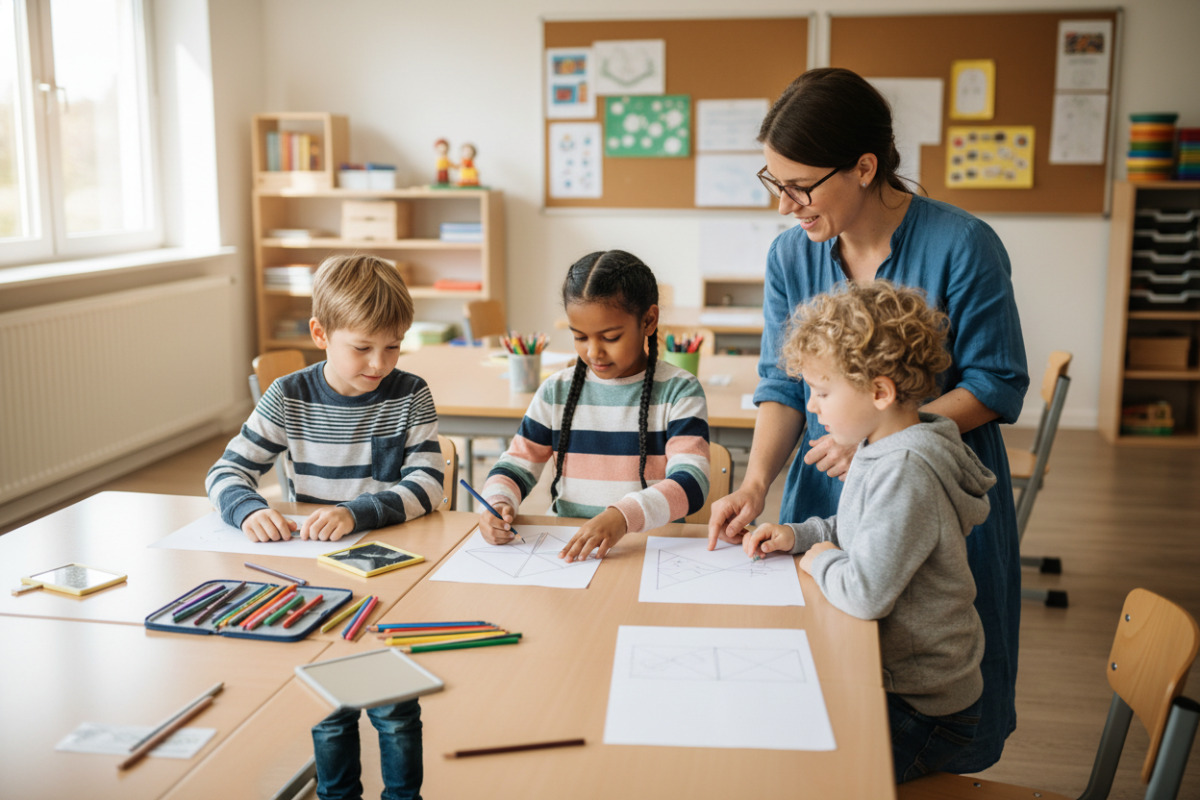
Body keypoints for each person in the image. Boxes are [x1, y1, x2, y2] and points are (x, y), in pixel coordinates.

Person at [707, 67, 1028, 773]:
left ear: (864, 166)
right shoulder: (794, 252)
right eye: (775, 183)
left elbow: (998, 382)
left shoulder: (963, 244)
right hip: (832, 491)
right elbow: (781, 384)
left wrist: (888, 440)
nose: (784, 205)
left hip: (929, 486)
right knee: (832, 687)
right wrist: (757, 484)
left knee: (926, 675)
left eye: (800, 186)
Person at [206, 254, 441, 800]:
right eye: (362, 347)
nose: (379, 363)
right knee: (329, 710)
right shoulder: (289, 396)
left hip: (390, 577)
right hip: (318, 581)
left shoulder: (410, 394)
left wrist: (356, 511)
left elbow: (428, 485)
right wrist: (249, 509)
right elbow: (226, 471)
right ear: (320, 333)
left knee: (394, 710)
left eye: (393, 346)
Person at [741, 281, 993, 782]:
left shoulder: (906, 468)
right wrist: (800, 535)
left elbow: (865, 592)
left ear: (880, 392)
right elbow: (858, 528)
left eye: (824, 391)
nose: (812, 406)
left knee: (810, 778)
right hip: (895, 676)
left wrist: (819, 562)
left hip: (924, 707)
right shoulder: (883, 446)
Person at [478, 249, 711, 563]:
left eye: (611, 337)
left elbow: (692, 483)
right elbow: (516, 465)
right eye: (579, 337)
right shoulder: (556, 391)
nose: (594, 352)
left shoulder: (679, 391)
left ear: (649, 320)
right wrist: (497, 502)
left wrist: (621, 517)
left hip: (651, 551)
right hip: (570, 551)